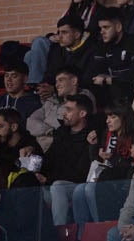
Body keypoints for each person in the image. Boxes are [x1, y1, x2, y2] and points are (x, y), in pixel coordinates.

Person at [73, 102, 134, 238]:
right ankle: (82, 236)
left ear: (124, 118)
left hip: (121, 184)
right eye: (107, 117)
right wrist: (93, 147)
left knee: (90, 189)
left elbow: (131, 167)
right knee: (79, 191)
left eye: (112, 117)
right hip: (106, 178)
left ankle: (101, 228)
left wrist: (114, 160)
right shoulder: (109, 135)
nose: (107, 120)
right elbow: (99, 163)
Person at [26, 0, 109, 83]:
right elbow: (61, 30)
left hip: (81, 47)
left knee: (37, 45)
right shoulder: (71, 10)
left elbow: (95, 35)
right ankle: (35, 85)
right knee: (31, 52)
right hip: (63, 45)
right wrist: (52, 36)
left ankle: (35, 84)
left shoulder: (100, 12)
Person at [40, 93, 95, 226]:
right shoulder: (61, 133)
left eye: (69, 110)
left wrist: (48, 179)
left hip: (77, 187)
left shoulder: (91, 137)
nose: (64, 113)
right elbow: (48, 159)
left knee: (58, 187)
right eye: (65, 109)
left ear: (82, 113)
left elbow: (81, 173)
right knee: (29, 189)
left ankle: (60, 236)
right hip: (51, 184)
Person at [86, 10, 134, 107]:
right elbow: (93, 74)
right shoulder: (101, 45)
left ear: (118, 27)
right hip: (112, 95)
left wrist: (109, 80)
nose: (102, 32)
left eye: (106, 27)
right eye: (100, 28)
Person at [39, 14, 96, 84]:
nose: (59, 37)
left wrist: (54, 89)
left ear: (77, 35)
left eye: (64, 32)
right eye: (59, 32)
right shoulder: (56, 49)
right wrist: (44, 87)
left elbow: (87, 80)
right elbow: (49, 74)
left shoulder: (94, 50)